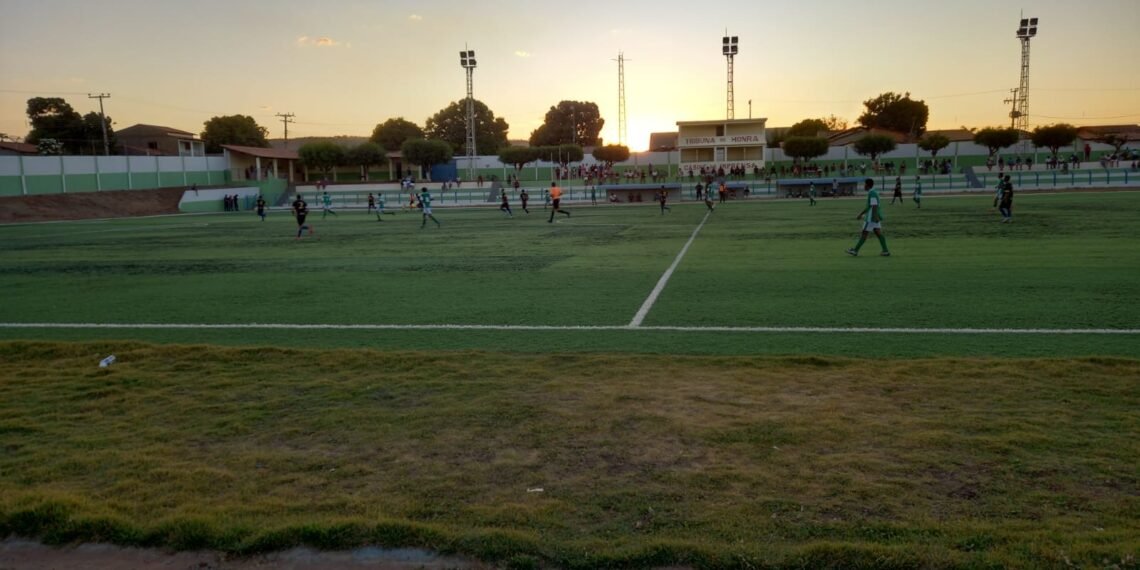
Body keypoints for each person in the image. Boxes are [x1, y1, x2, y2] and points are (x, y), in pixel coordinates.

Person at [846, 178, 890, 257]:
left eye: (864, 184)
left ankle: (855, 250)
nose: (863, 186)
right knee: (878, 233)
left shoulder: (872, 193)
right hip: (875, 216)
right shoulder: (873, 192)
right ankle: (885, 251)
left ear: (867, 185)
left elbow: (874, 206)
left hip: (871, 218)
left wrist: (874, 217)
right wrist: (861, 214)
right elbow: (870, 206)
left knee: (864, 233)